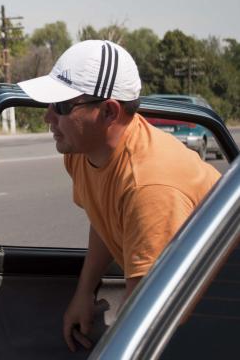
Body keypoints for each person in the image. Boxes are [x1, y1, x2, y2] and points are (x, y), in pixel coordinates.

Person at [17, 40, 220, 353]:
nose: (48, 118)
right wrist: (84, 291)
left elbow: (147, 316)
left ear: (109, 111)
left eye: (61, 106)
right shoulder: (84, 153)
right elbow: (104, 215)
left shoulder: (150, 187)